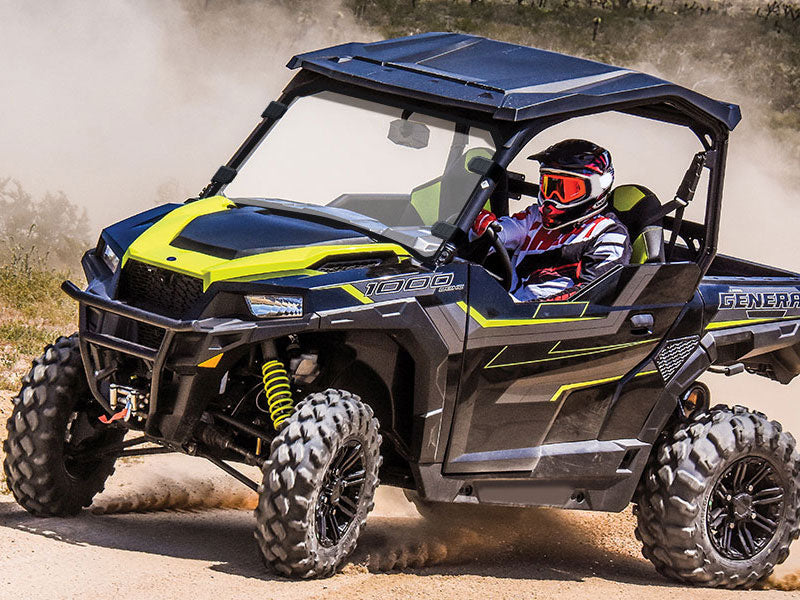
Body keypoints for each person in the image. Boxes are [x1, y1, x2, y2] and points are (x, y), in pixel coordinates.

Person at [472, 139, 631, 302]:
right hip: (504, 310)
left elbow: (592, 293)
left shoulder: (609, 233)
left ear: (596, 189)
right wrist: (479, 227)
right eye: (549, 186)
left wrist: (525, 308)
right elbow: (500, 232)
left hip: (552, 322)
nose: (553, 198)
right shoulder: (534, 217)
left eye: (567, 189)